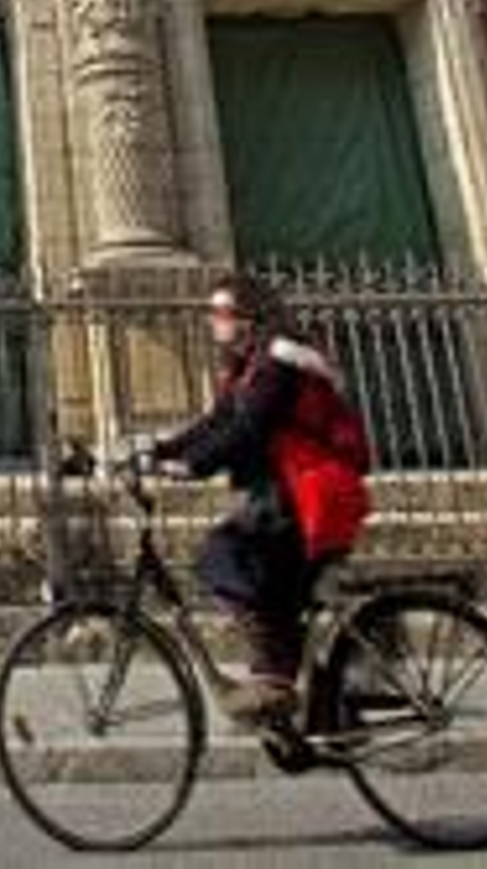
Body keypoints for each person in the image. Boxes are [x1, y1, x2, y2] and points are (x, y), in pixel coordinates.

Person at [152, 272, 371, 723]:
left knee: (224, 553)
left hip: (309, 494)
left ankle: (274, 676)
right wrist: (157, 451)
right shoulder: (249, 368)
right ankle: (311, 701)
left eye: (221, 312)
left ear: (248, 319)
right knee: (271, 586)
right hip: (285, 493)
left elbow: (250, 427)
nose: (213, 320)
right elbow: (217, 422)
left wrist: (194, 466)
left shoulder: (279, 364)